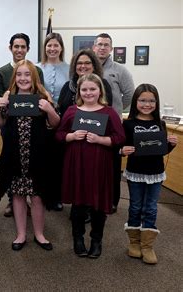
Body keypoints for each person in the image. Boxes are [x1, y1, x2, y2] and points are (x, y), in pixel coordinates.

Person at [55, 73, 125, 259]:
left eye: (92, 89)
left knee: (97, 205)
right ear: (79, 91)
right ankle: (78, 239)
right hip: (77, 164)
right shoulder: (71, 111)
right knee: (78, 204)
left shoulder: (108, 112)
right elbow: (59, 134)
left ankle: (96, 240)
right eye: (84, 89)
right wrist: (71, 136)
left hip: (99, 165)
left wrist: (101, 139)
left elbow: (120, 138)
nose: (88, 93)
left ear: (100, 90)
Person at [0, 60, 60, 252]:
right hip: (15, 156)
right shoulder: (9, 96)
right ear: (15, 78)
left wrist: (49, 110)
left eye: (27, 74)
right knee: (18, 195)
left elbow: (55, 124)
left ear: (34, 77)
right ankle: (21, 234)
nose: (23, 78)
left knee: (38, 197)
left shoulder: (42, 97)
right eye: (19, 75)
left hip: (37, 156)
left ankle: (39, 234)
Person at [121, 84, 177, 264]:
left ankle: (147, 246)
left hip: (155, 173)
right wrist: (122, 150)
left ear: (157, 102)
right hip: (136, 172)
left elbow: (161, 150)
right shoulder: (128, 124)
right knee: (136, 206)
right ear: (135, 101)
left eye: (151, 100)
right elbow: (121, 146)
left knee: (151, 208)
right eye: (143, 100)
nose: (147, 104)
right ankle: (135, 243)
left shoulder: (159, 123)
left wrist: (171, 145)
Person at [0, 33, 44, 217]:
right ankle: (13, 199)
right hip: (11, 123)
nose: (19, 50)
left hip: (33, 125)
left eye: (23, 47)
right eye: (16, 46)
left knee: (31, 163)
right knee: (13, 162)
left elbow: (39, 91)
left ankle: (32, 199)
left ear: (28, 49)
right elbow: (3, 96)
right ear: (10, 48)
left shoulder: (36, 70)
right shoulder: (2, 71)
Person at [93, 32, 135, 212]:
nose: (102, 47)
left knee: (113, 164)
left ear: (110, 48)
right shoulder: (89, 68)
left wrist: (116, 110)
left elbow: (130, 96)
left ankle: (112, 201)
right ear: (94, 47)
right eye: (99, 44)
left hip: (113, 125)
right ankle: (92, 200)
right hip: (92, 122)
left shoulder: (120, 70)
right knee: (94, 164)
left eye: (106, 44)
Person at [36, 32, 70, 212]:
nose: (52, 48)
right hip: (41, 121)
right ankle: (41, 196)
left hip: (62, 121)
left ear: (61, 48)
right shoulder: (36, 67)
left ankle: (57, 197)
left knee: (58, 160)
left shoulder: (70, 68)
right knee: (43, 160)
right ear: (45, 48)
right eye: (49, 45)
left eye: (56, 45)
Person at [57, 49, 113, 117]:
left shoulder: (103, 85)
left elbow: (107, 109)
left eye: (87, 63)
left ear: (94, 66)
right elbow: (60, 111)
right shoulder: (67, 86)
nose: (83, 66)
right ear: (74, 66)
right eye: (79, 63)